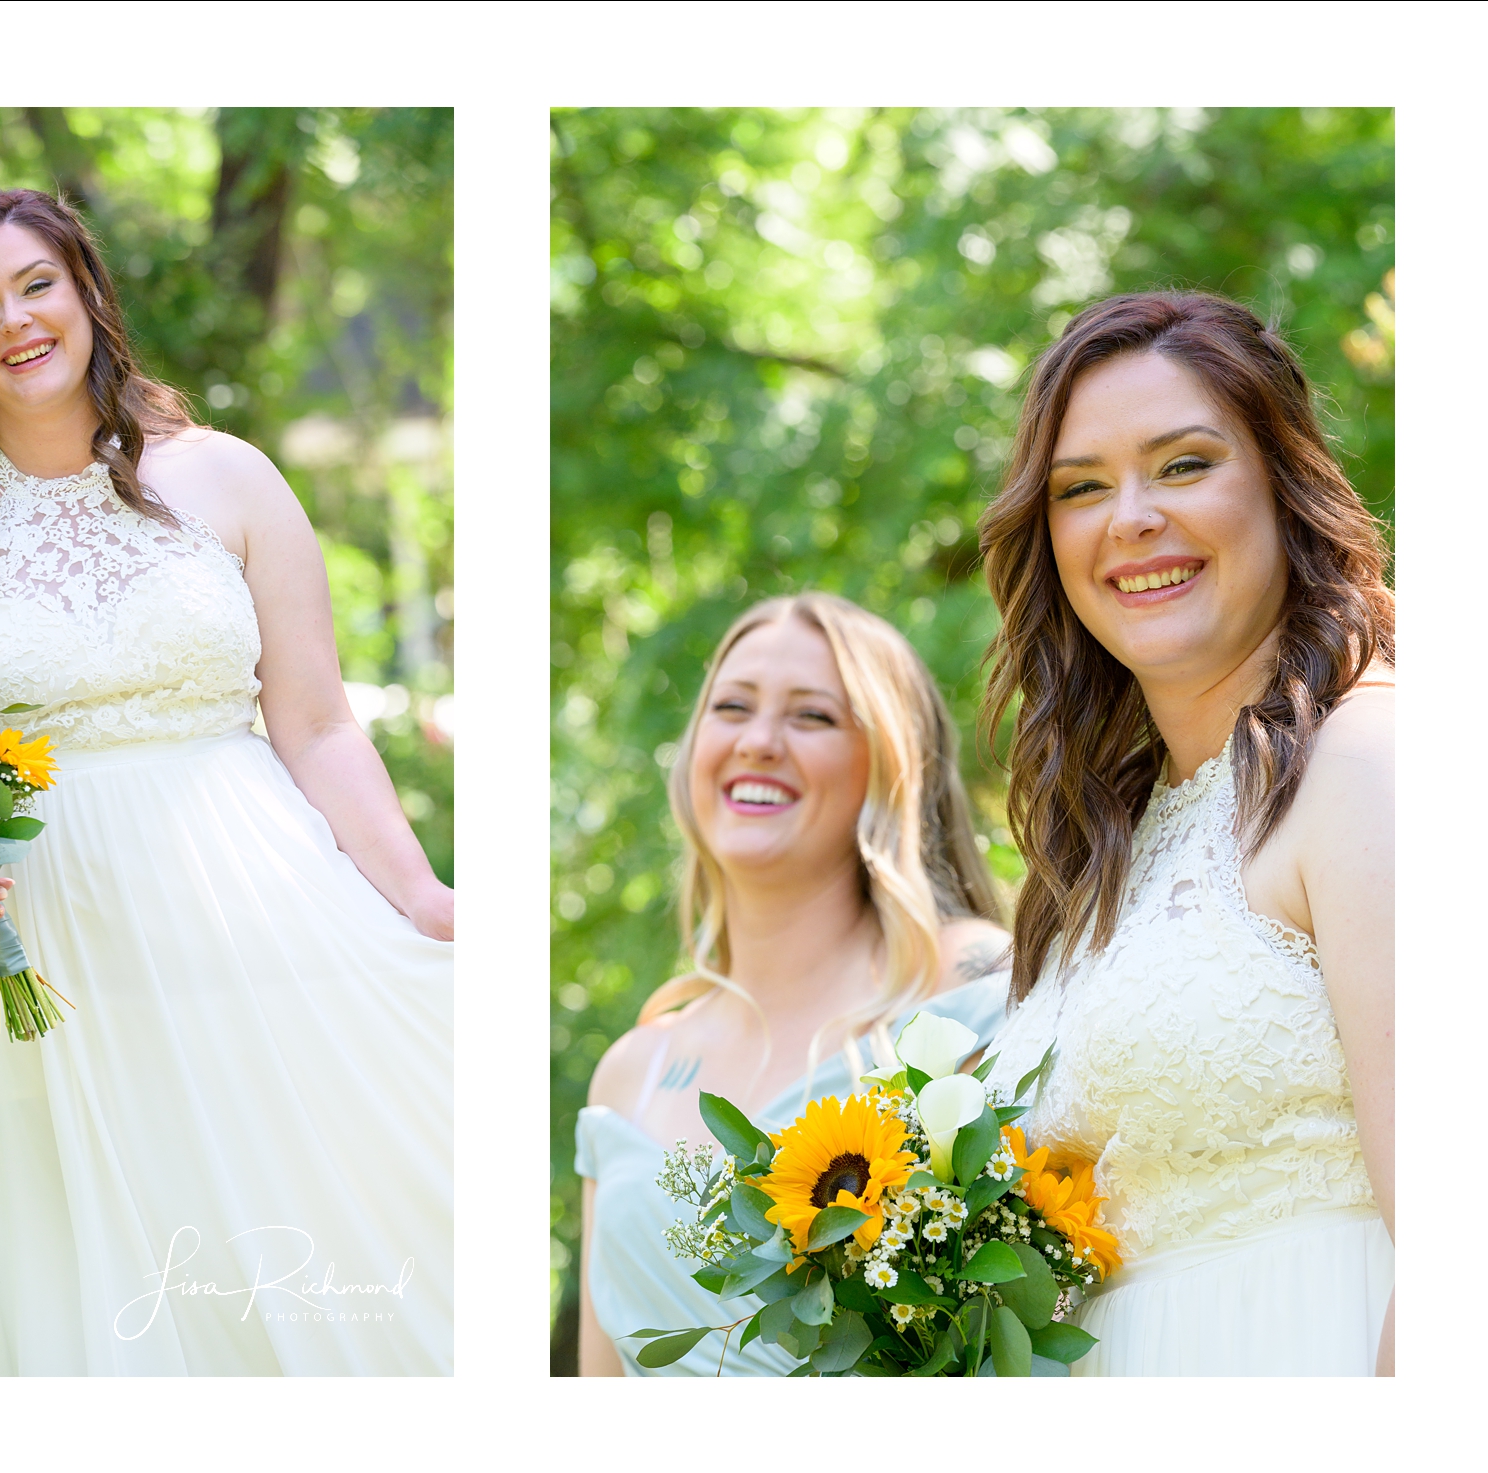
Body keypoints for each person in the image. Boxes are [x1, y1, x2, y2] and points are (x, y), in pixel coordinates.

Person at [0, 189, 452, 1376]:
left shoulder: (227, 480)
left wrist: (420, 894)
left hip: (251, 901)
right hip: (43, 944)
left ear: (86, 295)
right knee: (97, 1263)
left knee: (281, 1198)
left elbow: (318, 723)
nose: (15, 321)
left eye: (36, 286)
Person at [975, 290, 1394, 1376]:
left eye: (1181, 464)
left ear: (1282, 488)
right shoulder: (1100, 847)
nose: (1128, 518)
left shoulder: (1366, 765)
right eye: (1080, 487)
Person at [573, 593, 1014, 1375]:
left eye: (811, 717)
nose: (758, 742)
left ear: (888, 763)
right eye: (731, 708)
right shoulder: (631, 1070)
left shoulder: (967, 989)